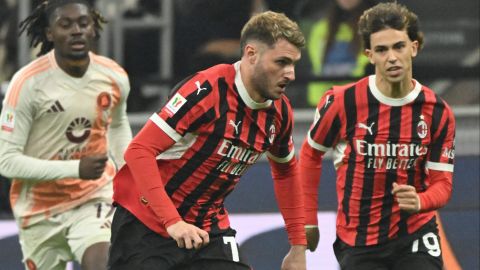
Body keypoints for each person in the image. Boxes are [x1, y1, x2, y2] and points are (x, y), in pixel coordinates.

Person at [109, 11, 307, 270]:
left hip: (207, 228)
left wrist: (297, 247)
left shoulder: (280, 112)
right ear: (251, 54)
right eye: (281, 62)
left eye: (293, 64)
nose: (290, 74)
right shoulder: (207, 90)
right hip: (148, 223)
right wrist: (173, 222)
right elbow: (139, 150)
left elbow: (286, 173)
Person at [299, 2, 456, 270]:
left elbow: (442, 185)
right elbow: (310, 155)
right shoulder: (342, 102)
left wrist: (421, 200)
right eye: (382, 50)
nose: (392, 57)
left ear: (414, 48)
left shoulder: (437, 112)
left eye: (399, 46)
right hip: (359, 239)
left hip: (415, 234)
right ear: (369, 55)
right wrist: (307, 219)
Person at [0, 0, 132, 269]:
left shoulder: (113, 76)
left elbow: (117, 125)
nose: (76, 31)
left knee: (103, 262)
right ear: (50, 33)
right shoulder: (27, 83)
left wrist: (128, 172)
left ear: (93, 29)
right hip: (39, 210)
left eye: (83, 24)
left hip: (93, 197)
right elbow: (6, 161)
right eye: (65, 24)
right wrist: (76, 168)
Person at [298, 0, 376, 107]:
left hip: (357, 99)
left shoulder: (373, 27)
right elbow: (318, 65)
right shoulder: (320, 28)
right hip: (322, 100)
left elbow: (367, 65)